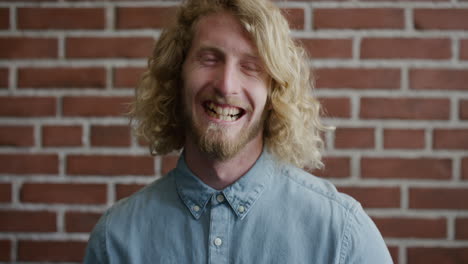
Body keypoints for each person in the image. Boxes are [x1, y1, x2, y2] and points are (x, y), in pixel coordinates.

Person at [84, 0, 393, 263]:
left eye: (251, 66)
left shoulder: (342, 236)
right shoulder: (115, 241)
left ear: (275, 92)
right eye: (209, 58)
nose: (226, 85)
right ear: (176, 75)